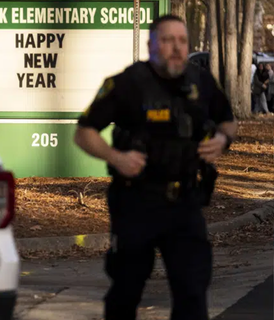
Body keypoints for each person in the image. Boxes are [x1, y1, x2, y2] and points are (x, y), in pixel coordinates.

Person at [73, 14, 237, 320]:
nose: (176, 48)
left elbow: (228, 120)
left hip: (186, 202)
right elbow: (83, 132)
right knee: (126, 289)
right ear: (150, 45)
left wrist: (222, 138)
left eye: (182, 41)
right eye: (167, 40)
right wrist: (116, 158)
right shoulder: (127, 84)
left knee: (193, 290)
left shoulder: (200, 82)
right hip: (137, 202)